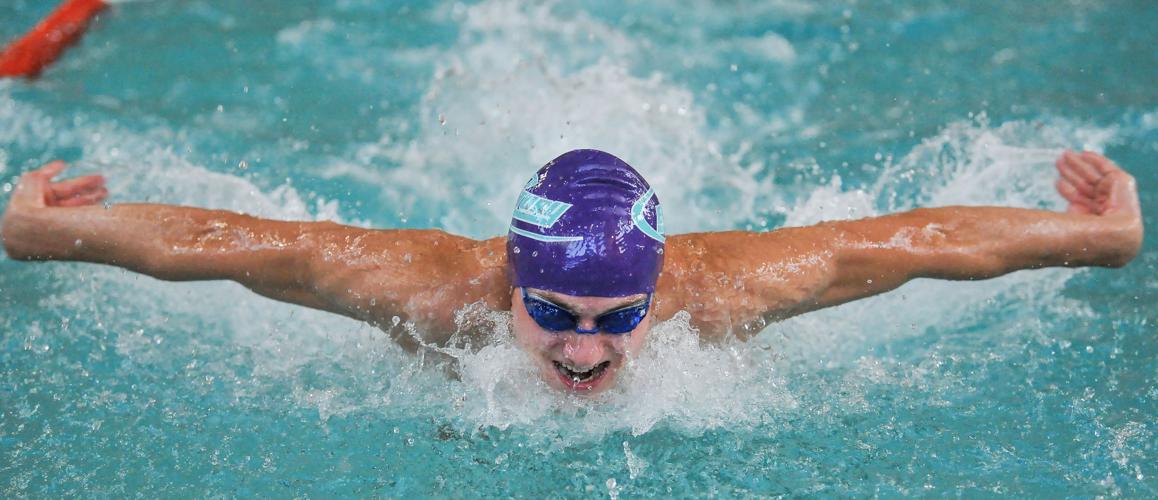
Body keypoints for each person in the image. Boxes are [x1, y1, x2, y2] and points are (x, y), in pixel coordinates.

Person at [0, 149, 1144, 393]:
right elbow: (236, 244)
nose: (583, 347)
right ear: (510, 279)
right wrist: (34, 232)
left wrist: (1103, 239)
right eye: (551, 309)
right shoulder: (429, 287)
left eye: (614, 316)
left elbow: (910, 243)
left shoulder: (720, 289)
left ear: (655, 292)